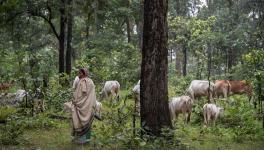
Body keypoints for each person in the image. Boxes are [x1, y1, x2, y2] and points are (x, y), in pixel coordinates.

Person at [64, 68, 97, 144]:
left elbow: (78, 96)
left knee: (78, 121)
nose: (78, 75)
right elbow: (92, 96)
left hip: (81, 107)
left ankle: (80, 140)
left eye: (80, 73)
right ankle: (86, 140)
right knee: (87, 121)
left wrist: (75, 103)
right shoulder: (91, 81)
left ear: (84, 73)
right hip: (89, 106)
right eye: (78, 73)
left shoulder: (82, 82)